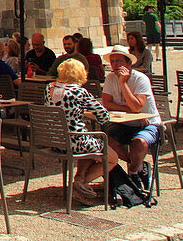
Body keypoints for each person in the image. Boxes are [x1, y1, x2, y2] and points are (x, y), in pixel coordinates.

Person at [47, 58, 118, 201]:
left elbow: (63, 111)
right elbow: (104, 116)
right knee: (113, 158)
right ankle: (80, 183)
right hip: (75, 142)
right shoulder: (79, 91)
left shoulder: (49, 88)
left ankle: (80, 179)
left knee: (90, 144)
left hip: (56, 142)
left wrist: (80, 112)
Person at [101, 45, 161, 186]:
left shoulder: (141, 79)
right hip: (125, 123)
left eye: (119, 61)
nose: (116, 65)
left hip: (149, 123)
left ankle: (133, 172)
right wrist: (127, 108)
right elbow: (106, 102)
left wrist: (123, 83)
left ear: (129, 63)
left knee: (139, 142)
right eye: (113, 61)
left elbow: (136, 106)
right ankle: (138, 165)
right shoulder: (110, 78)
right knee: (105, 140)